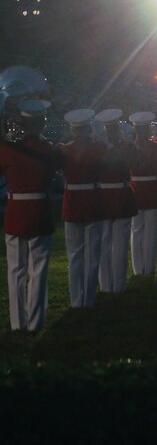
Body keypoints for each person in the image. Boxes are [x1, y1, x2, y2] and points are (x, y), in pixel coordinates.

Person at [0, 100, 63, 331]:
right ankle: (35, 322)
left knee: (15, 270)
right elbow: (61, 164)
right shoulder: (50, 150)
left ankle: (18, 323)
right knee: (38, 270)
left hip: (16, 212)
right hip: (39, 213)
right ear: (42, 122)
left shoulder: (7, 148)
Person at [59, 108, 105, 308]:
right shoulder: (99, 148)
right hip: (92, 201)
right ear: (88, 128)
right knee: (92, 254)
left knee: (74, 255)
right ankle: (89, 297)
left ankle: (76, 299)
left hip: (72, 201)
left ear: (72, 129)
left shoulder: (63, 150)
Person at [95, 109, 138, 293]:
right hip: (120, 195)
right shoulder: (127, 147)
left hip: (103, 197)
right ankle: (118, 285)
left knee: (104, 243)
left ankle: (106, 285)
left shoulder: (98, 147)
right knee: (119, 244)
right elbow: (134, 164)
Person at [128, 112, 157, 276]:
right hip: (152, 188)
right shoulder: (156, 146)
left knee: (136, 231)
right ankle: (148, 268)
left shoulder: (129, 146)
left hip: (135, 188)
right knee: (151, 231)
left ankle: (138, 269)